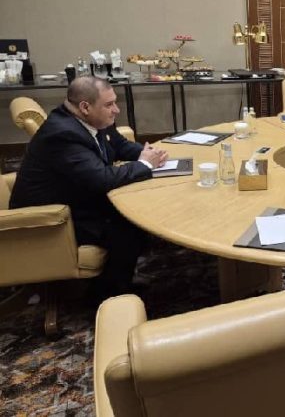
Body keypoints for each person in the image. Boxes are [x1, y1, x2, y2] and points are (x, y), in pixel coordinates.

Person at [10, 76, 168, 301]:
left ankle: (118, 278)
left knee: (136, 212)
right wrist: (144, 165)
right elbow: (101, 179)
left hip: (75, 197)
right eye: (109, 104)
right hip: (51, 218)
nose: (116, 110)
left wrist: (148, 154)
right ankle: (108, 295)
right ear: (85, 107)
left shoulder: (92, 120)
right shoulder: (62, 134)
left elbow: (119, 145)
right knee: (127, 225)